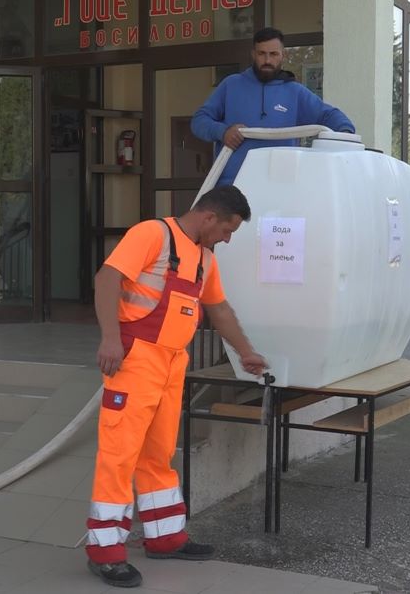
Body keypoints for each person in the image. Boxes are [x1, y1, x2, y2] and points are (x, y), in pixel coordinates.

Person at [86, 185, 268, 588]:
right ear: (208, 218)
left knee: (158, 454)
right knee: (119, 455)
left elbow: (218, 308)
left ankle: (165, 537)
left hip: (172, 364)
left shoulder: (204, 258)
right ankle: (105, 552)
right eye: (228, 229)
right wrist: (110, 338)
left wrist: (245, 352)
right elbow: (107, 279)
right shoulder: (152, 234)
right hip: (134, 360)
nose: (227, 238)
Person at [191, 27, 356, 187]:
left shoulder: (295, 91)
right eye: (262, 54)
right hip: (232, 187)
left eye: (273, 54)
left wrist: (346, 135)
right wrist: (223, 132)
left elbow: (329, 115)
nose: (267, 60)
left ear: (283, 55)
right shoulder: (231, 85)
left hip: (279, 187)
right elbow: (199, 121)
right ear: (253, 54)